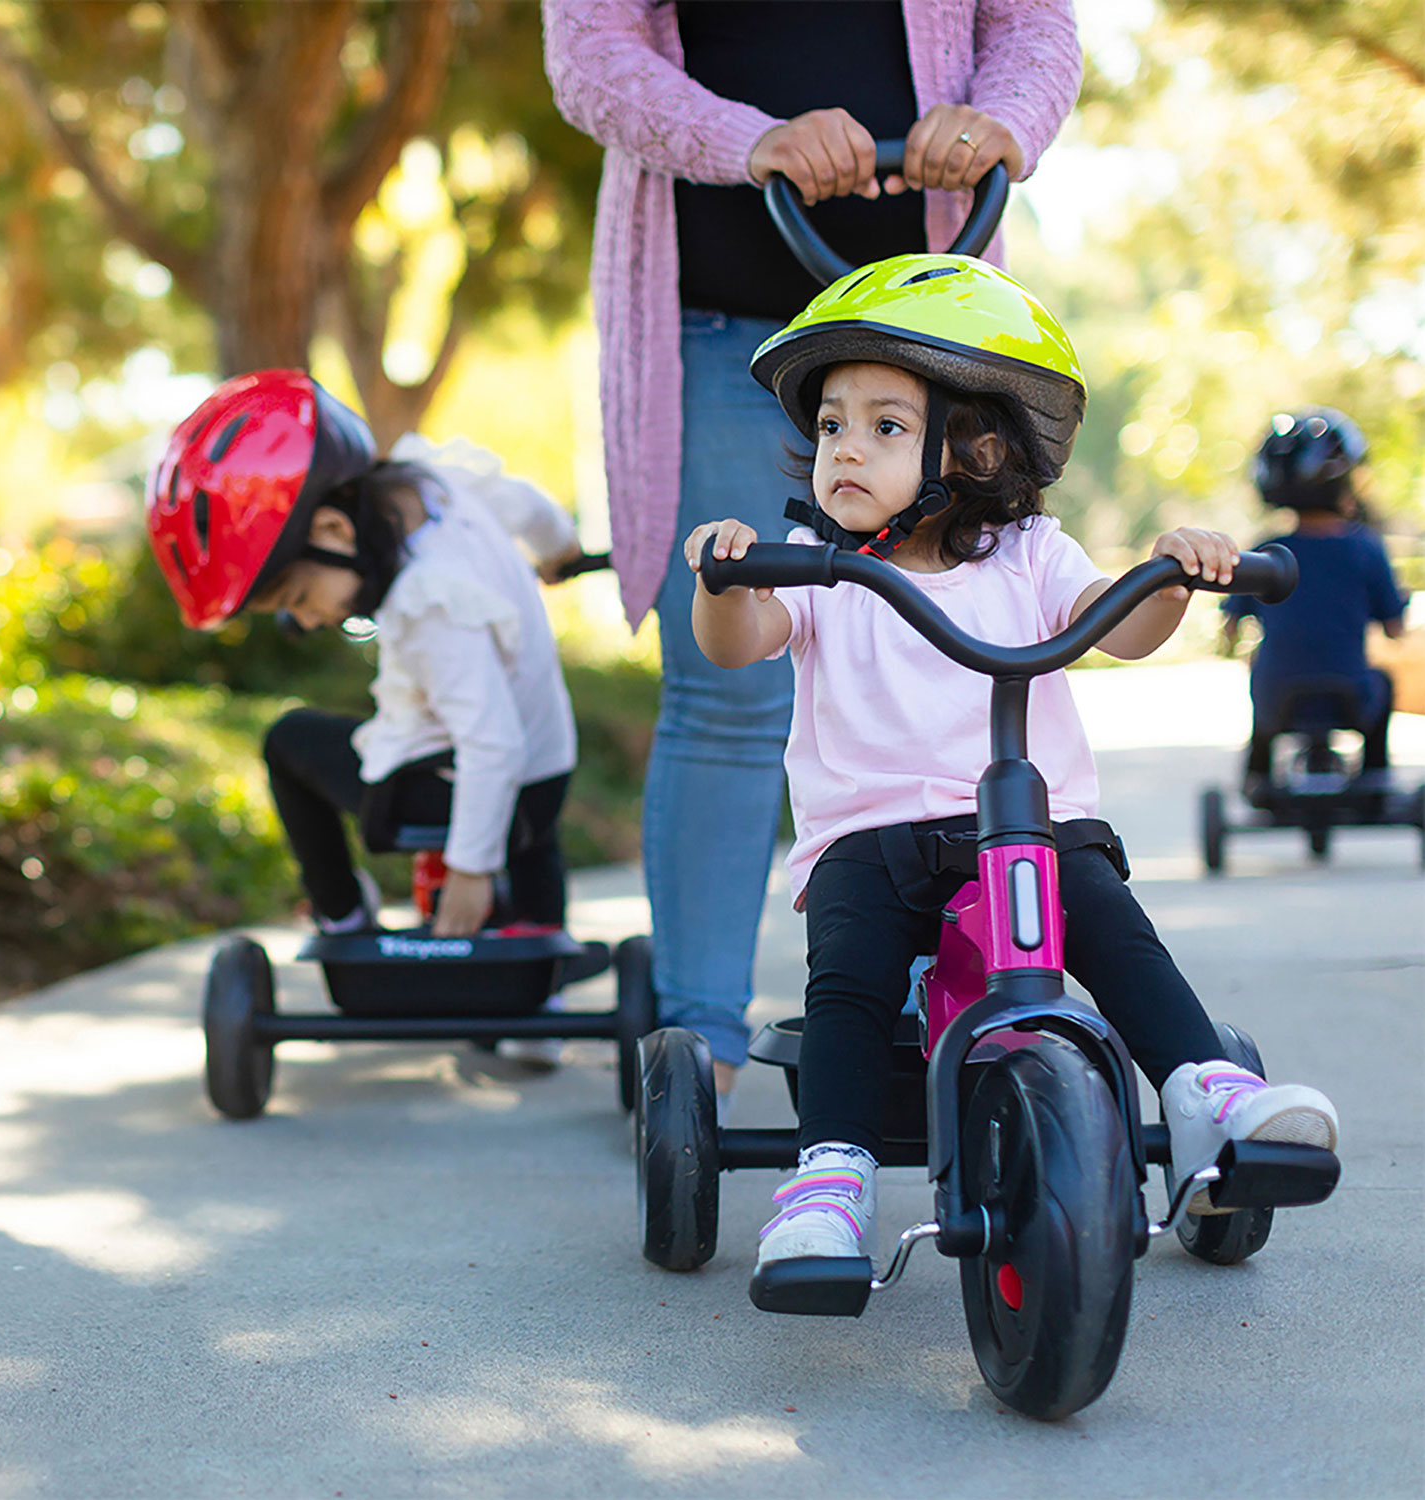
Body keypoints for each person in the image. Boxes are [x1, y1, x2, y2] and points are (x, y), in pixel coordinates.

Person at [681, 254, 1340, 1271]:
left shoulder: (1027, 554)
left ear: (975, 450)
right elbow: (738, 641)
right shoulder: (814, 564)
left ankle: (1208, 1095)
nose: (845, 447)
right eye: (830, 425)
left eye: (885, 425)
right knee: (849, 986)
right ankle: (830, 1179)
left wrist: (1170, 577)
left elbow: (1108, 628)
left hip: (1030, 831)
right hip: (871, 839)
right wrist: (726, 579)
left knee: (1115, 930)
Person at [543, 0, 1083, 1113]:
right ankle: (701, 1036)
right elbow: (591, 56)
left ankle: (963, 991)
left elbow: (1032, 25)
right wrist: (752, 140)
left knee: (967, 656)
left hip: (932, 338)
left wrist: (998, 124)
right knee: (726, 680)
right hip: (724, 322)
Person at [147, 369, 583, 998]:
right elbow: (528, 506)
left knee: (290, 740)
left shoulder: (427, 602)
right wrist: (560, 552)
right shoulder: (432, 485)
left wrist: (470, 868)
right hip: (548, 774)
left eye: (298, 595)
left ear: (334, 532)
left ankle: (343, 915)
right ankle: (540, 973)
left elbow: (493, 745)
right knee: (507, 775)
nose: (305, 619)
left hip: (472, 784)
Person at [1222, 408, 1409, 799]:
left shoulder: (1262, 552)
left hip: (1278, 699)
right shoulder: (1366, 548)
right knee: (1385, 682)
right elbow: (1395, 629)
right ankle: (1374, 775)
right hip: (1354, 697)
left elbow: (1229, 629)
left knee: (1260, 673)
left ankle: (1258, 774)